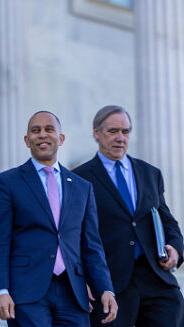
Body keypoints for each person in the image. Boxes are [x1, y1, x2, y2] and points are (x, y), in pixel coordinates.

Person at [0, 111, 117, 326]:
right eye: (35, 131)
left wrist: (105, 289)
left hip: (73, 292)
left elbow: (92, 245)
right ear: (27, 140)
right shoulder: (8, 182)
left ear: (61, 138)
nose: (42, 135)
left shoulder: (82, 187)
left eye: (49, 129)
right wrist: (0, 290)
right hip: (26, 292)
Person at [73, 105, 184, 326]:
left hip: (155, 277)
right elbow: (73, 234)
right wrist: (80, 281)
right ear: (96, 133)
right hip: (110, 283)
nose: (120, 138)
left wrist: (176, 247)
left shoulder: (150, 173)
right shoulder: (79, 179)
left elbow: (166, 220)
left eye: (125, 132)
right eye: (113, 131)